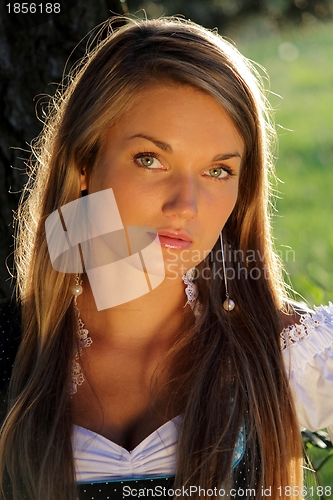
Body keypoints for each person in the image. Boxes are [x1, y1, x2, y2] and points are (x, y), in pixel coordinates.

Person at [0, 16, 333, 500]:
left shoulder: (285, 355)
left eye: (218, 171)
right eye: (151, 159)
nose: (185, 205)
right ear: (85, 163)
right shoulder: (14, 350)